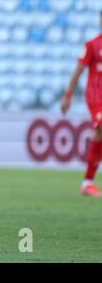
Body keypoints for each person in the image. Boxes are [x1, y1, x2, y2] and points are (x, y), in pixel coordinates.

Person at [61, 11, 102, 198]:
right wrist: (68, 95)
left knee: (99, 134)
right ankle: (87, 183)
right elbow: (77, 72)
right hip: (96, 97)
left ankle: (87, 183)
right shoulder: (92, 45)